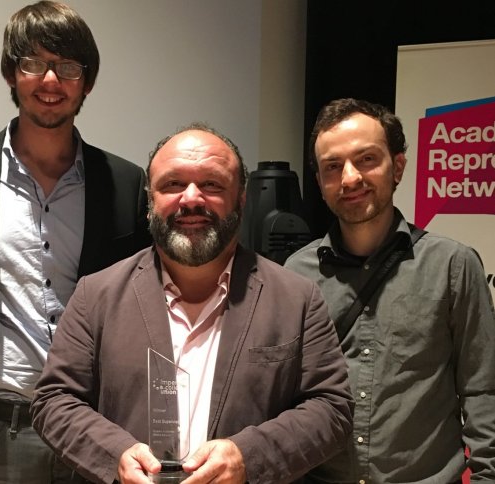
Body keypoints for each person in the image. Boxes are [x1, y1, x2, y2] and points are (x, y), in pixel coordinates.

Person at [31, 123, 354, 484]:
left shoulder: (298, 299)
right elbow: (54, 401)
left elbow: (332, 409)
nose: (191, 199)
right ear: (151, 199)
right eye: (172, 184)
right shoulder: (96, 295)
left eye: (212, 184)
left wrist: (250, 456)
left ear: (241, 197)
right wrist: (114, 455)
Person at [0, 2, 151, 482]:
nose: (50, 81)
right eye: (33, 63)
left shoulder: (125, 182)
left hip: (99, 431)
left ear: (87, 81)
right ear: (10, 73)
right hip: (2, 431)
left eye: (67, 67)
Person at [285, 98, 495, 483]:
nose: (350, 177)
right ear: (319, 182)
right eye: (333, 167)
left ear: (397, 165)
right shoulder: (295, 275)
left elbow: (485, 392)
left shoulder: (453, 265)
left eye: (366, 159)